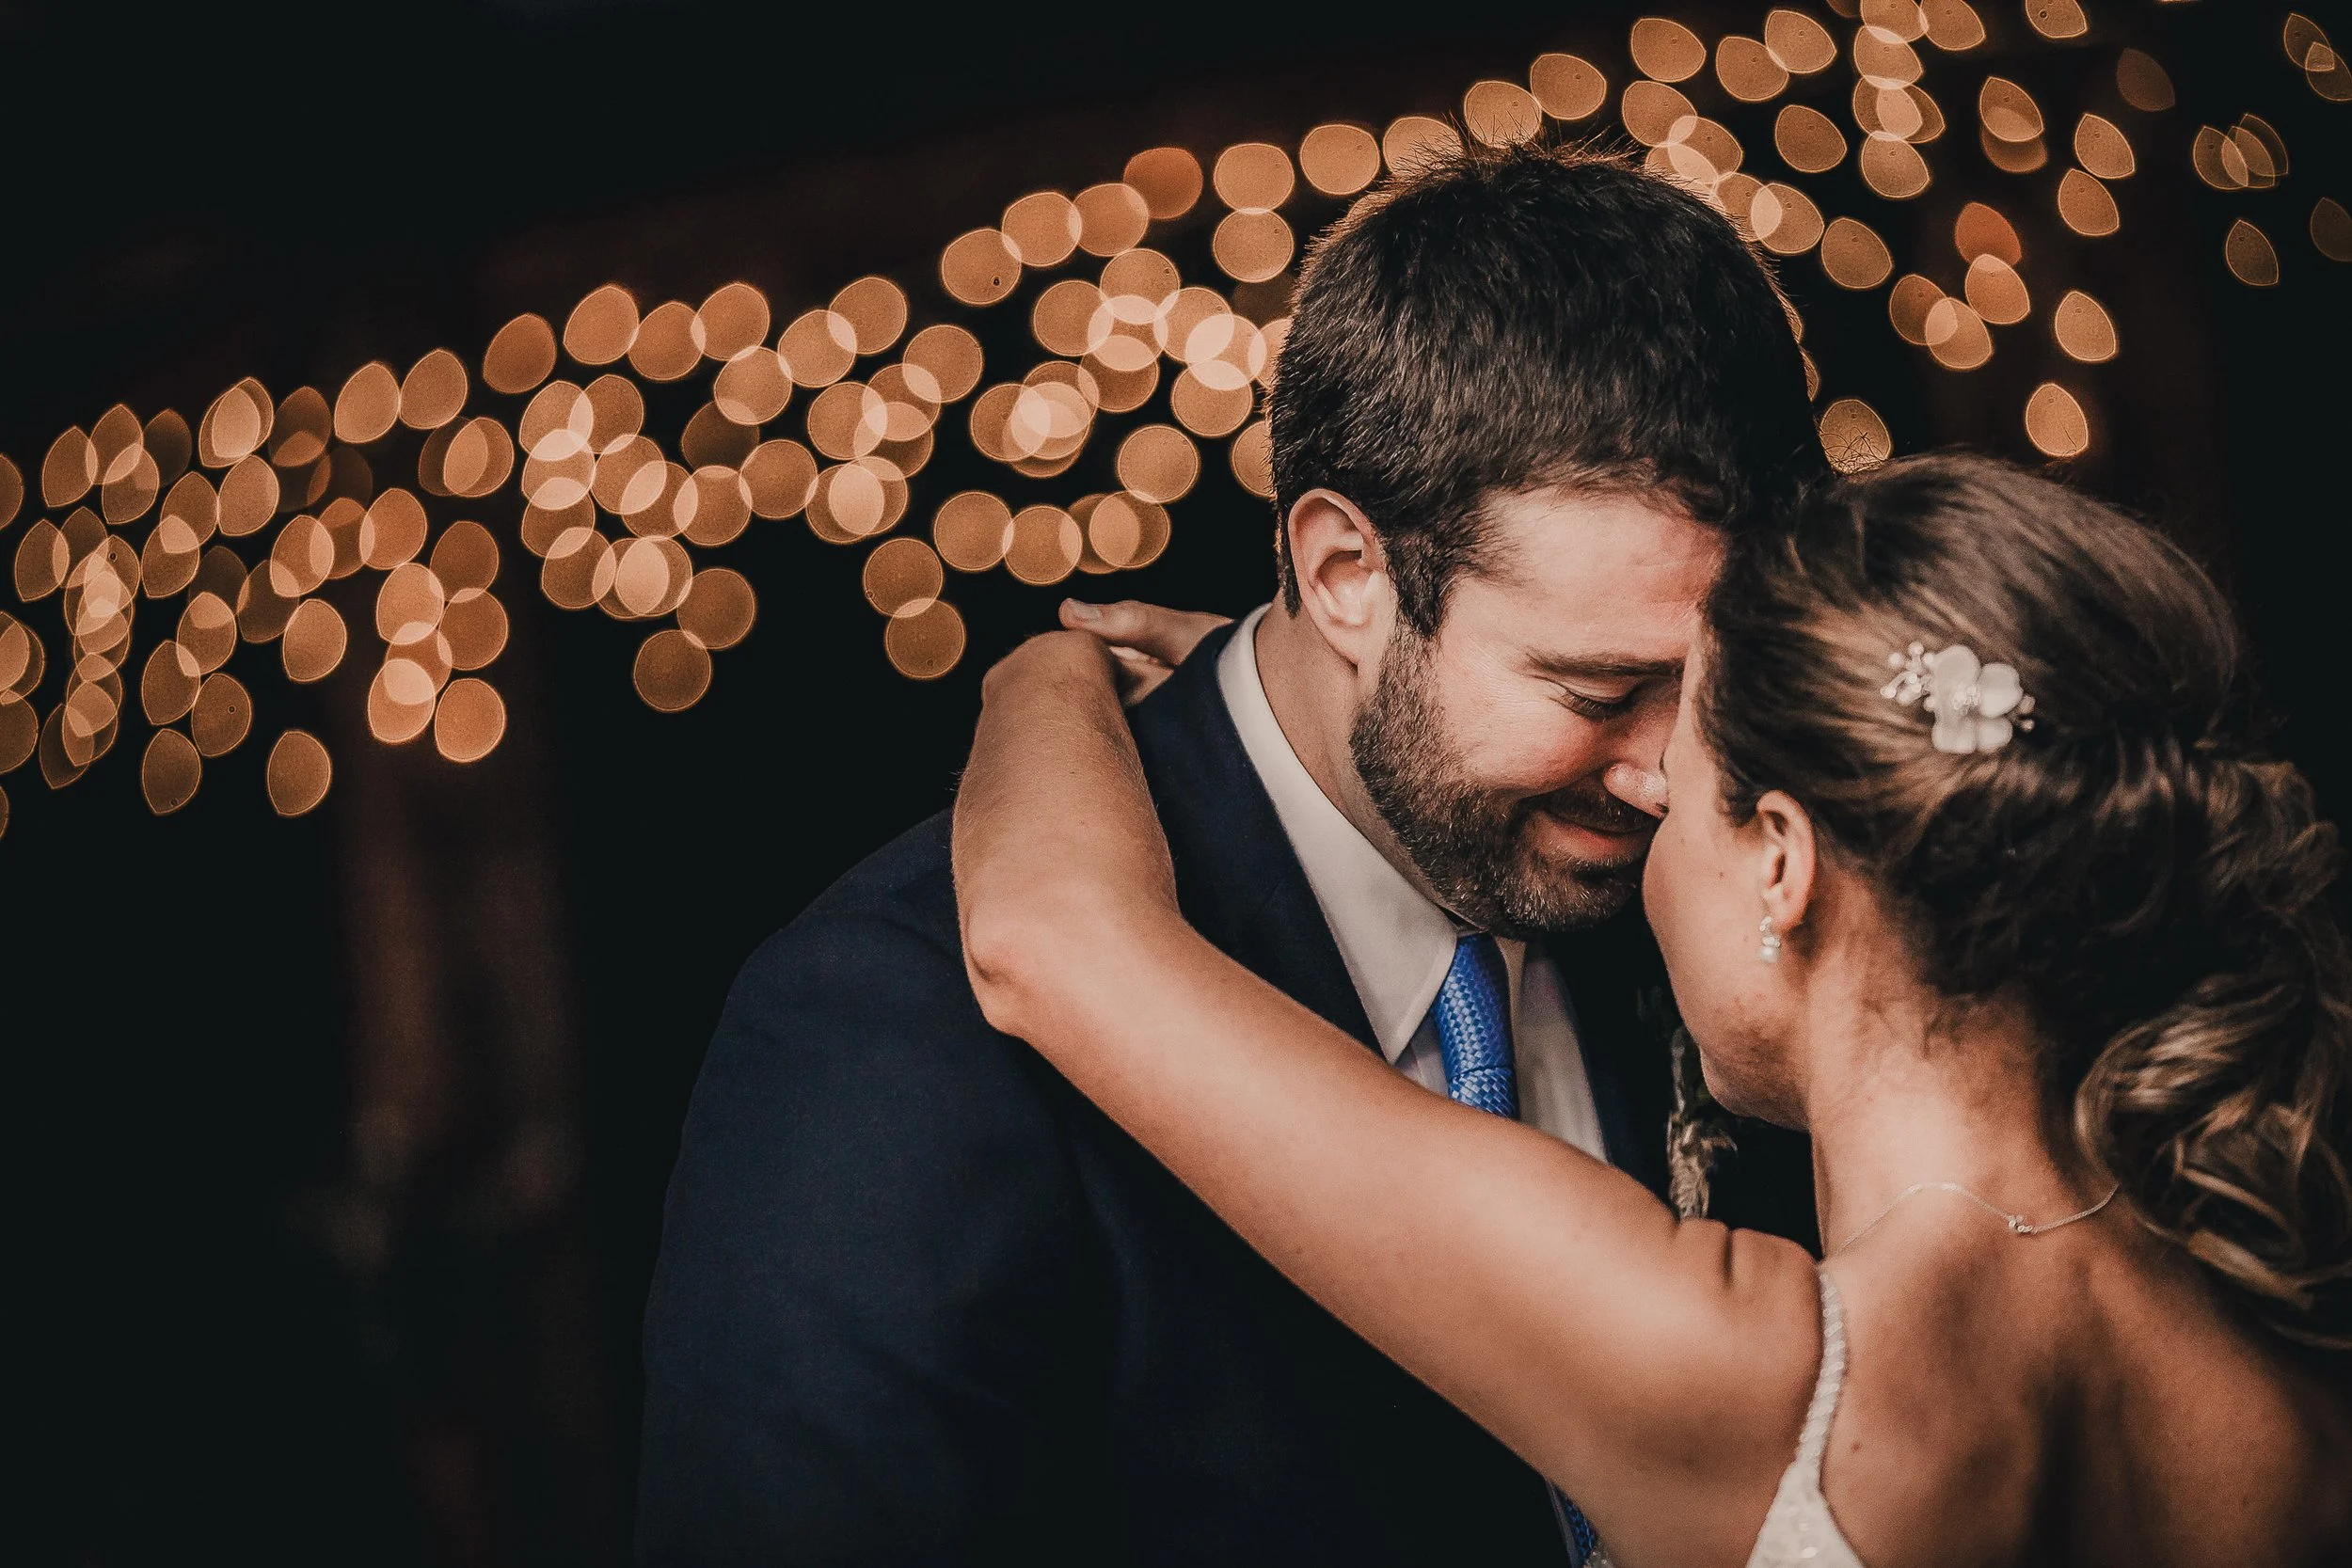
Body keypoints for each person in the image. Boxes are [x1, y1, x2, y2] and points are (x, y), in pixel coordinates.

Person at [637, 141, 1823, 1563]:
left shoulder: (1744, 885)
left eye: (1724, 679)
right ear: (1344, 574)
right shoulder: (892, 1025)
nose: (1673, 769)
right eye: (1592, 689)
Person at [952, 453, 2352, 1567]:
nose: (1635, 818)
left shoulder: (1745, 1377)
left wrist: (1050, 670)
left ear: (1786, 863)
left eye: (1672, 780)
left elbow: (1050, 935)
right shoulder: (2270, 1366)